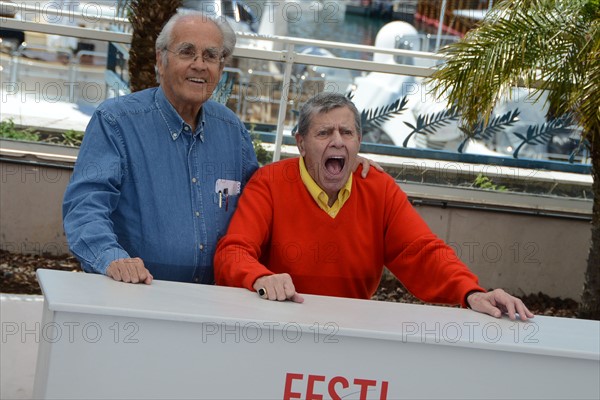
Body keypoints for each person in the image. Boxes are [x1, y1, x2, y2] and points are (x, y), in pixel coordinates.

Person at [63, 10, 377, 286]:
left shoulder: (232, 130)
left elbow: (267, 202)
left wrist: (335, 156)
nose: (200, 65)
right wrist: (111, 259)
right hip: (138, 293)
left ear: (221, 66)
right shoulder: (116, 122)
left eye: (211, 56)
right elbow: (85, 207)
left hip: (216, 302)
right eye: (187, 52)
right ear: (161, 59)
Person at [214, 93, 534, 321]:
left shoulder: (378, 187)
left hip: (354, 332)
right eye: (324, 133)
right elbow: (233, 251)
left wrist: (471, 293)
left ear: (359, 142)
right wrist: (259, 277)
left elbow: (422, 251)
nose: (337, 141)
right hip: (276, 323)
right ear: (300, 143)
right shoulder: (270, 182)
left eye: (346, 132)